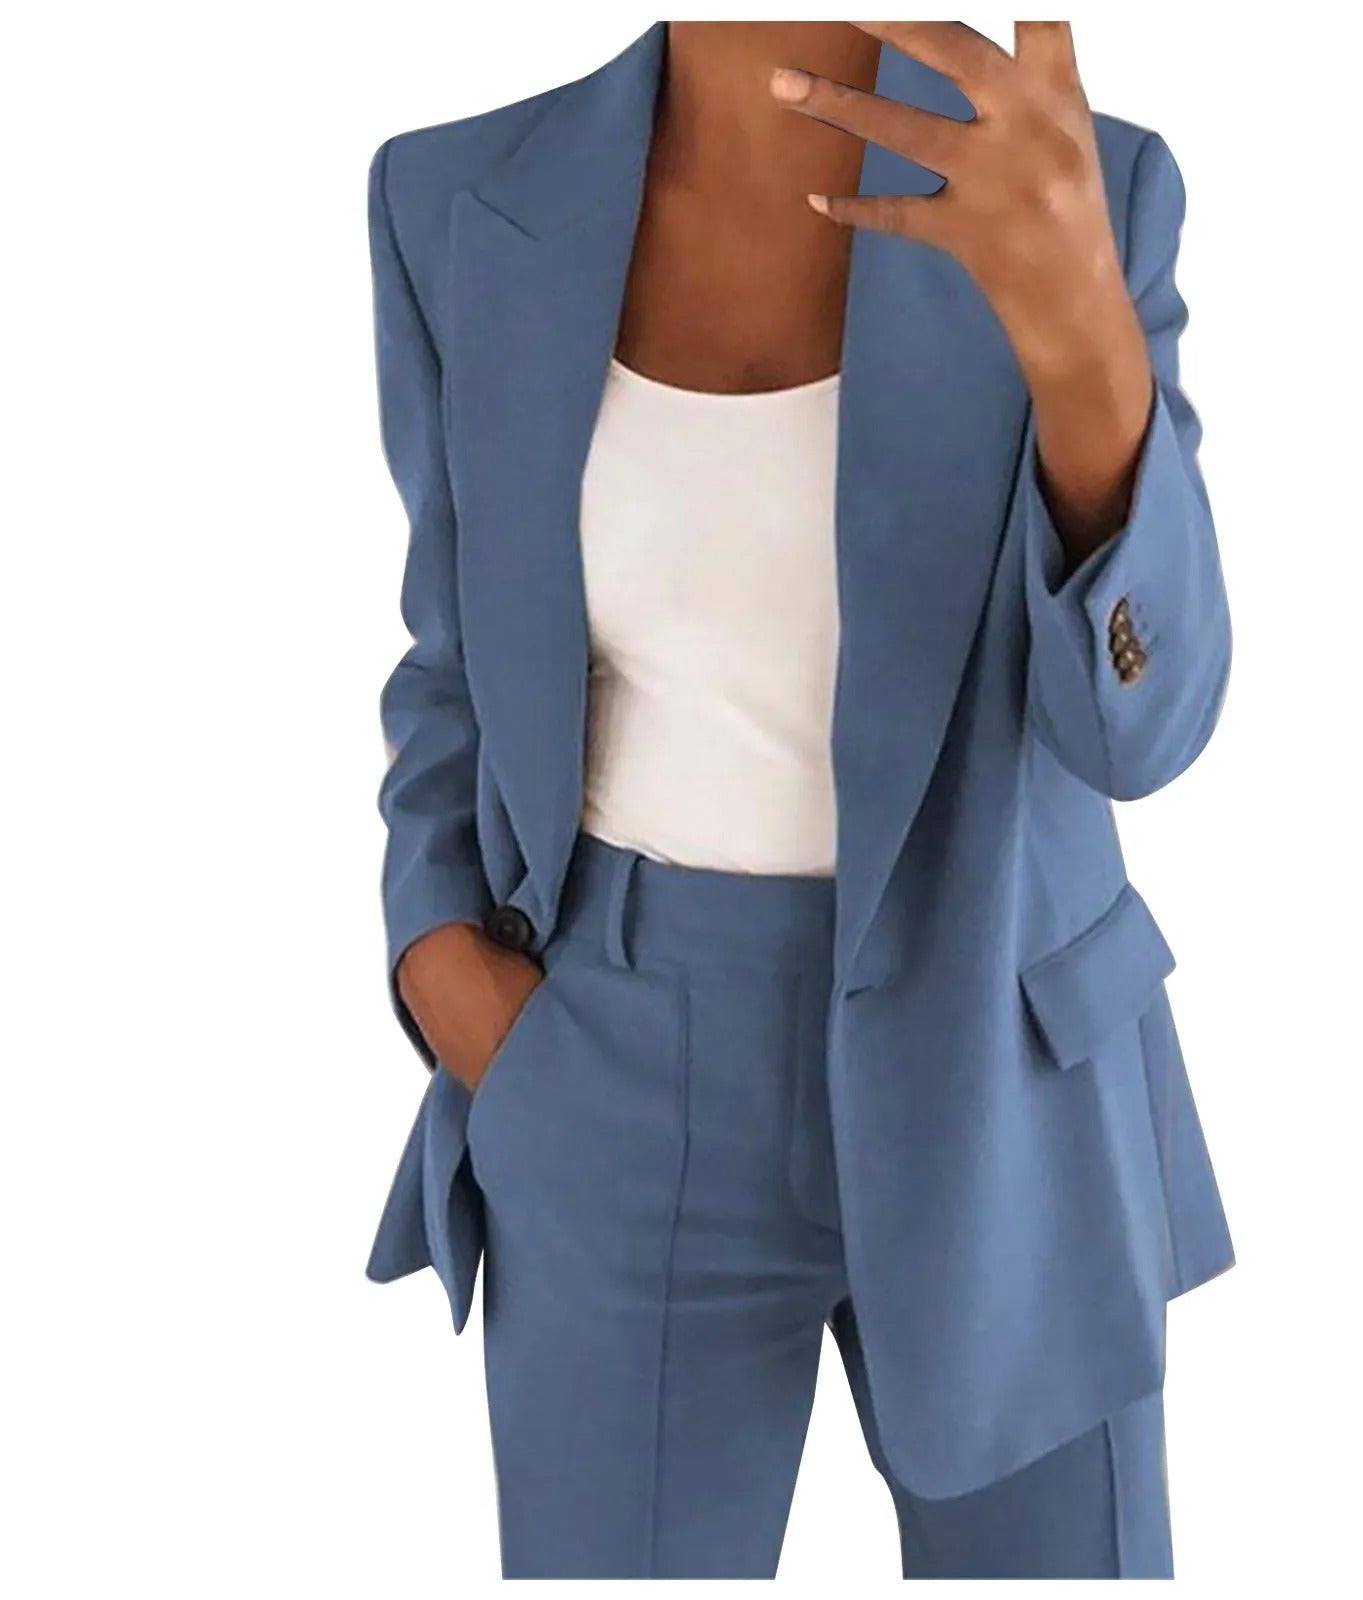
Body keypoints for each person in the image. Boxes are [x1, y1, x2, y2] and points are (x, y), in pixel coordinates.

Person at [364, 20, 1234, 1579]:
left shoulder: (1075, 188)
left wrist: (1083, 355)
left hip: (1005, 1069)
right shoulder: (456, 199)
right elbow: (456, 659)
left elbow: (1143, 729)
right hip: (612, 1068)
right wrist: (444, 963)